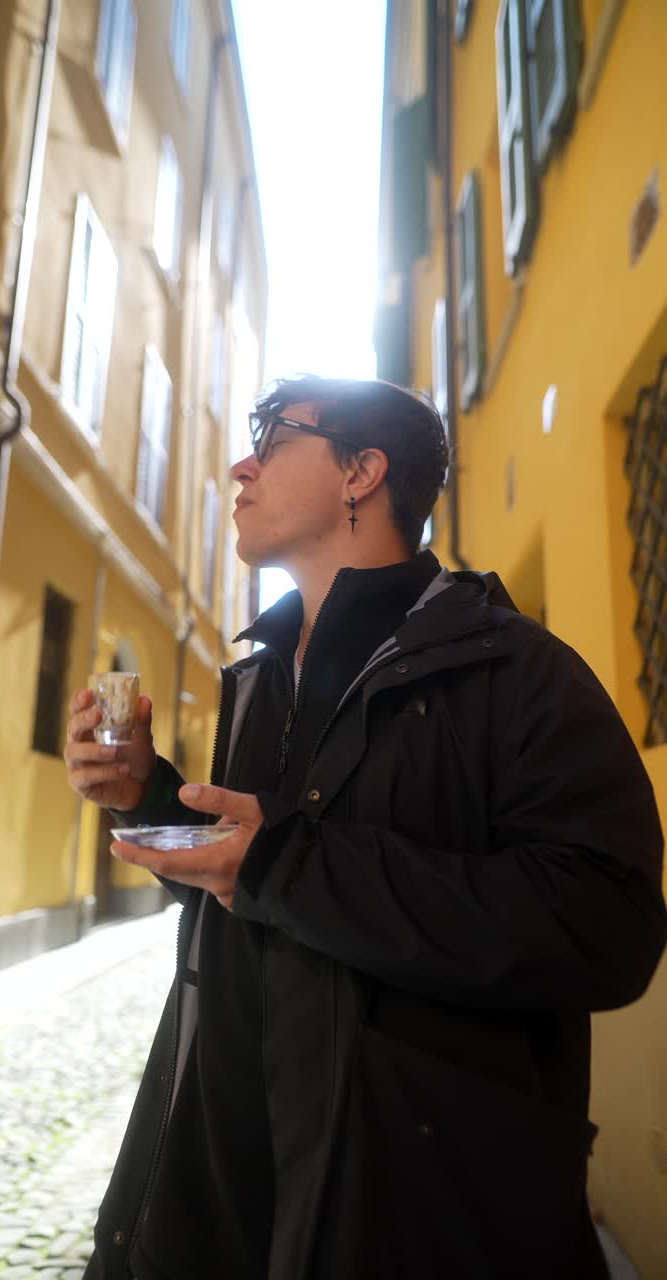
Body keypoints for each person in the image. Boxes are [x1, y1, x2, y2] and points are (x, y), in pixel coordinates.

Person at [64, 376, 666, 1280]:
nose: (241, 463)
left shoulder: (515, 670)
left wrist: (284, 866)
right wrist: (150, 797)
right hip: (225, 1195)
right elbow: (254, 891)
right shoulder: (260, 678)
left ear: (363, 472)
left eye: (273, 437)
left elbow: (606, 923)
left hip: (411, 1221)